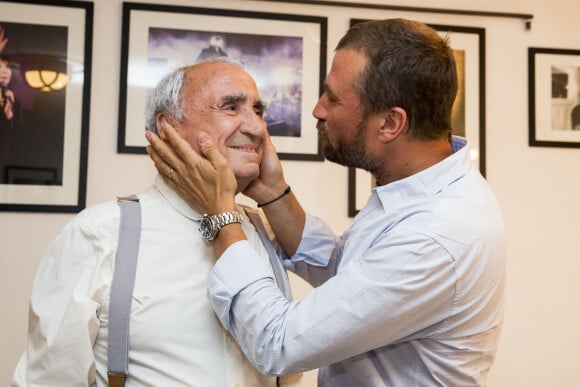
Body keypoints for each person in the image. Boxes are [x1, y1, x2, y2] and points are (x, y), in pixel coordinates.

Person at [146, 18, 507, 386]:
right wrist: (273, 193)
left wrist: (221, 213)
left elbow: (279, 344)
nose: (317, 110)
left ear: (390, 124)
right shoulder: (416, 187)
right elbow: (351, 277)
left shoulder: (436, 234)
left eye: (333, 98)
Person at [13, 60, 292, 386]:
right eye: (231, 107)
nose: (257, 128)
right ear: (168, 127)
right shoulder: (100, 233)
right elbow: (49, 379)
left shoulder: (264, 231)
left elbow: (286, 364)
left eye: (258, 111)